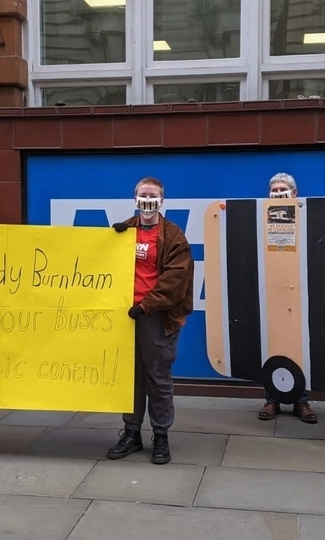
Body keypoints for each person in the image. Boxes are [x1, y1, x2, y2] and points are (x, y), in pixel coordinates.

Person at [107, 177, 194, 465]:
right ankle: (131, 433)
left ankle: (161, 435)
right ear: (135, 198)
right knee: (130, 378)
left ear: (162, 200)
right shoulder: (124, 231)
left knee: (157, 377)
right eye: (143, 194)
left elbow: (175, 279)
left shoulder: (173, 236)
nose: (148, 199)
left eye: (153, 195)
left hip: (156, 316)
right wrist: (110, 239)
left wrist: (146, 306)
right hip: (125, 315)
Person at [257, 173, 318, 424]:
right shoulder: (260, 217)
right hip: (271, 291)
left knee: (300, 347)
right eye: (274, 189)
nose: (278, 193)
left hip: (301, 292)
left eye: (283, 189)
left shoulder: (308, 217)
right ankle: (272, 400)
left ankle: (300, 401)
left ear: (294, 193)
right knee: (273, 345)